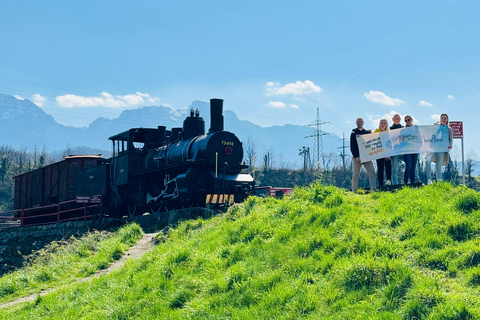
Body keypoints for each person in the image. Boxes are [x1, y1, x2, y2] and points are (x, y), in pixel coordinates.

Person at [350, 118, 377, 193]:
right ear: (356, 123)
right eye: (358, 122)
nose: (359, 123)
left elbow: (371, 143)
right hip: (357, 158)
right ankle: (354, 191)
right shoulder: (353, 133)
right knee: (355, 175)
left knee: (372, 173)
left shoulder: (366, 132)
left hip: (367, 157)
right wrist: (356, 157)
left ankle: (373, 189)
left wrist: (371, 134)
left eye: (361, 122)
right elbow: (352, 147)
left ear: (363, 123)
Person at [425, 113, 453, 184]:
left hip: (442, 148)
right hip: (433, 148)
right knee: (428, 161)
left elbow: (450, 139)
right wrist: (439, 126)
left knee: (439, 166)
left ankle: (439, 181)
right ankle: (429, 179)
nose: (443, 120)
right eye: (442, 118)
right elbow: (432, 134)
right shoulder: (436, 126)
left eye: (445, 118)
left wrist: (450, 145)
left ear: (447, 120)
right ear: (440, 119)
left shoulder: (449, 129)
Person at [374, 119, 392, 186]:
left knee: (388, 167)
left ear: (386, 125)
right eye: (382, 123)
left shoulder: (389, 132)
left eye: (384, 123)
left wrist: (388, 153)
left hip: (387, 153)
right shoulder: (376, 131)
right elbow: (372, 140)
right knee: (380, 168)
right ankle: (380, 184)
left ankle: (388, 181)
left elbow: (390, 143)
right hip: (379, 152)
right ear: (379, 124)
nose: (383, 124)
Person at [402, 115, 418, 184]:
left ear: (411, 120)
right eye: (406, 121)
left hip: (415, 149)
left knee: (413, 168)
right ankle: (405, 183)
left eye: (408, 120)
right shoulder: (403, 130)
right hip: (406, 150)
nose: (407, 121)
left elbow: (419, 137)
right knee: (408, 167)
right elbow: (401, 140)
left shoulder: (416, 128)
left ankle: (412, 183)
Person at [389, 114, 403, 185]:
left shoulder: (404, 128)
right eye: (395, 118)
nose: (397, 119)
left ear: (400, 119)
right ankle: (395, 184)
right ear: (392, 119)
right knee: (395, 169)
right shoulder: (389, 129)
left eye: (398, 118)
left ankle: (416, 180)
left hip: (403, 152)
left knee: (412, 165)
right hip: (394, 152)